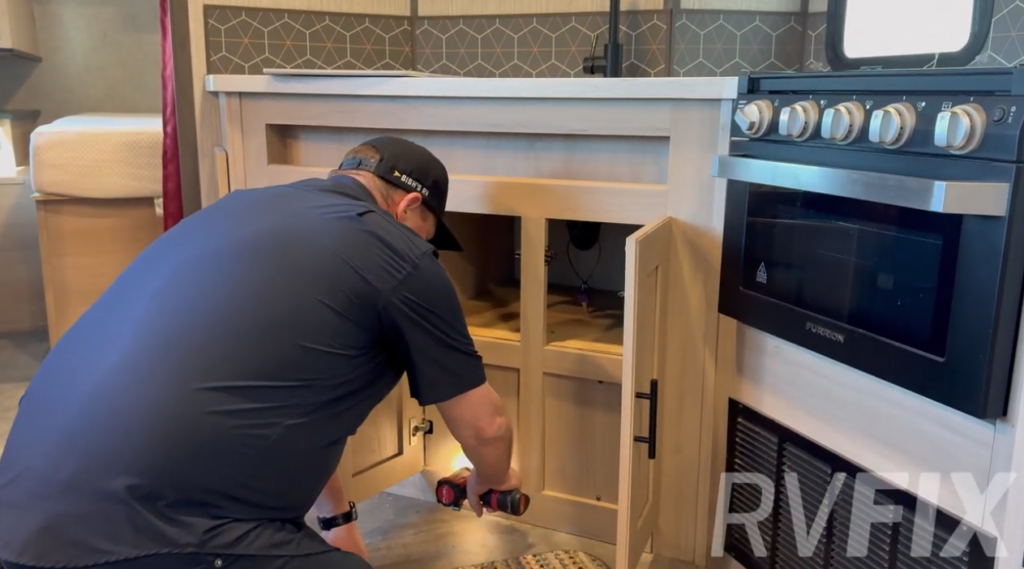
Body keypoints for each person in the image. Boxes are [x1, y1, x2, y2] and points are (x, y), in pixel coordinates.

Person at [0, 136, 520, 569]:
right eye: (430, 233)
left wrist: (337, 523)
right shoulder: (401, 254)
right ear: (408, 208)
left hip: (19, 515)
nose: (427, 247)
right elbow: (487, 427)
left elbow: (293, 402)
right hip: (142, 537)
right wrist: (492, 478)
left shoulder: (233, 210)